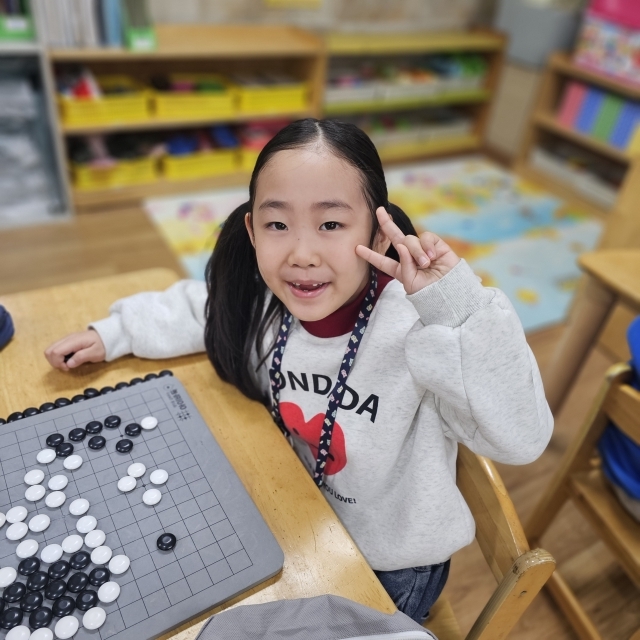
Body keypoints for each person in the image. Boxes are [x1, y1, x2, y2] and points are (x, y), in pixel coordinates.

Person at [45, 118, 553, 625]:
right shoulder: (267, 300)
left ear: (378, 233)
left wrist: (455, 309)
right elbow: (203, 308)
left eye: (331, 224)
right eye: (277, 225)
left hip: (389, 565)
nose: (302, 255)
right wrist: (116, 333)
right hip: (299, 517)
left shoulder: (421, 327)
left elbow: (522, 439)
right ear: (251, 230)